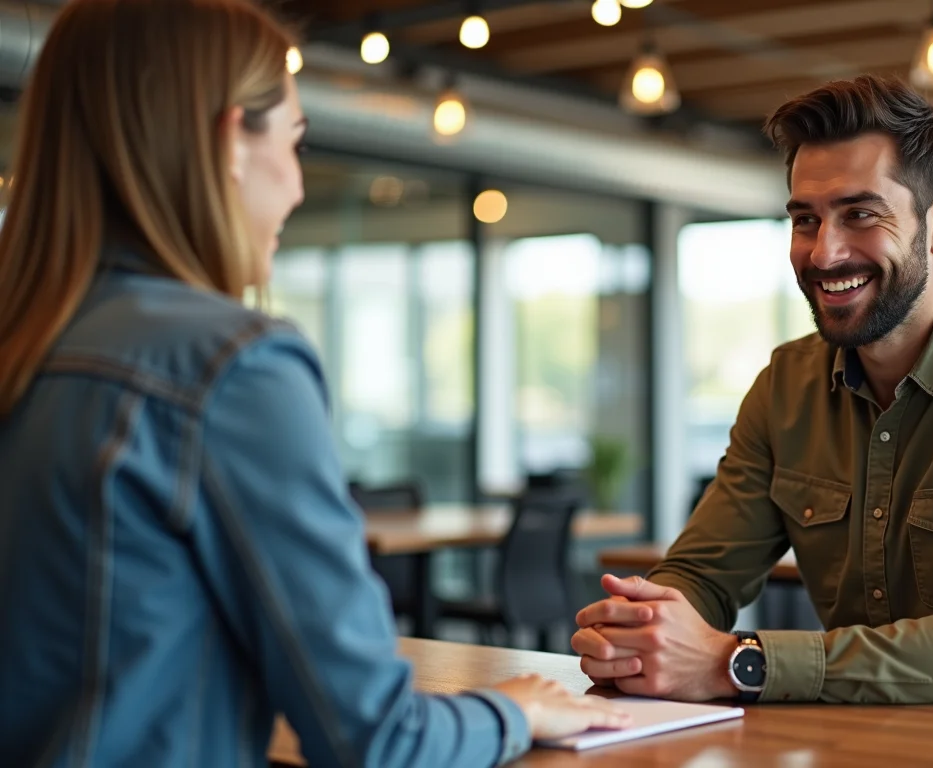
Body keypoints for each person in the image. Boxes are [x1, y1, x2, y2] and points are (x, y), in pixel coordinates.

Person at [0, 1, 625, 766]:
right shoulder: (230, 365)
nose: (296, 188)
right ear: (232, 140)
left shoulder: (26, 348)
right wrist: (512, 710)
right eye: (295, 143)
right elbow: (373, 739)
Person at [572, 75, 933, 712]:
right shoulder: (785, 387)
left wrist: (740, 662)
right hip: (866, 736)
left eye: (860, 214)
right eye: (805, 220)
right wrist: (644, 629)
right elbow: (704, 573)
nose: (824, 252)